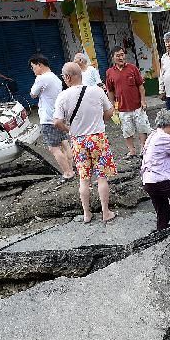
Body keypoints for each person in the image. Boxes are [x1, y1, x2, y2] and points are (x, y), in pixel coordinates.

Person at [53, 62, 117, 224]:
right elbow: (110, 111)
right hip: (98, 138)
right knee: (101, 177)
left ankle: (87, 214)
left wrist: (69, 130)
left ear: (67, 77)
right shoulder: (96, 91)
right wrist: (99, 120)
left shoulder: (63, 96)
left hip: (78, 140)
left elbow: (56, 122)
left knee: (84, 178)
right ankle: (105, 212)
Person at [28, 54, 75, 180]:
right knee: (65, 143)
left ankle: (68, 173)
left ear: (39, 64)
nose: (33, 71)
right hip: (59, 116)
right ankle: (71, 168)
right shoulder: (55, 77)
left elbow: (32, 94)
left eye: (33, 67)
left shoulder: (41, 78)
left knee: (53, 148)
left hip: (48, 119)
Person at [105, 46, 149, 160]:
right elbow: (110, 91)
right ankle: (132, 150)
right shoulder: (110, 72)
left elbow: (141, 86)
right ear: (113, 57)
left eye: (122, 54)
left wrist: (143, 100)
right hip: (122, 108)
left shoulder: (132, 68)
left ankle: (143, 149)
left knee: (142, 128)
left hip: (137, 106)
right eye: (118, 55)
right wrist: (112, 106)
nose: (121, 57)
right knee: (127, 130)